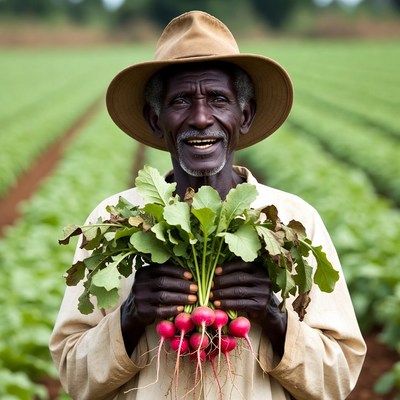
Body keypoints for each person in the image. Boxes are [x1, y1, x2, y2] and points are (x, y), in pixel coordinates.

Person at [50, 10, 366, 400]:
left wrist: (274, 316)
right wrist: (131, 317)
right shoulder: (115, 220)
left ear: (244, 115)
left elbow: (339, 377)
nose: (201, 118)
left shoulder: (295, 220)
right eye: (181, 101)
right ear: (155, 119)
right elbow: (72, 374)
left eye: (218, 99)